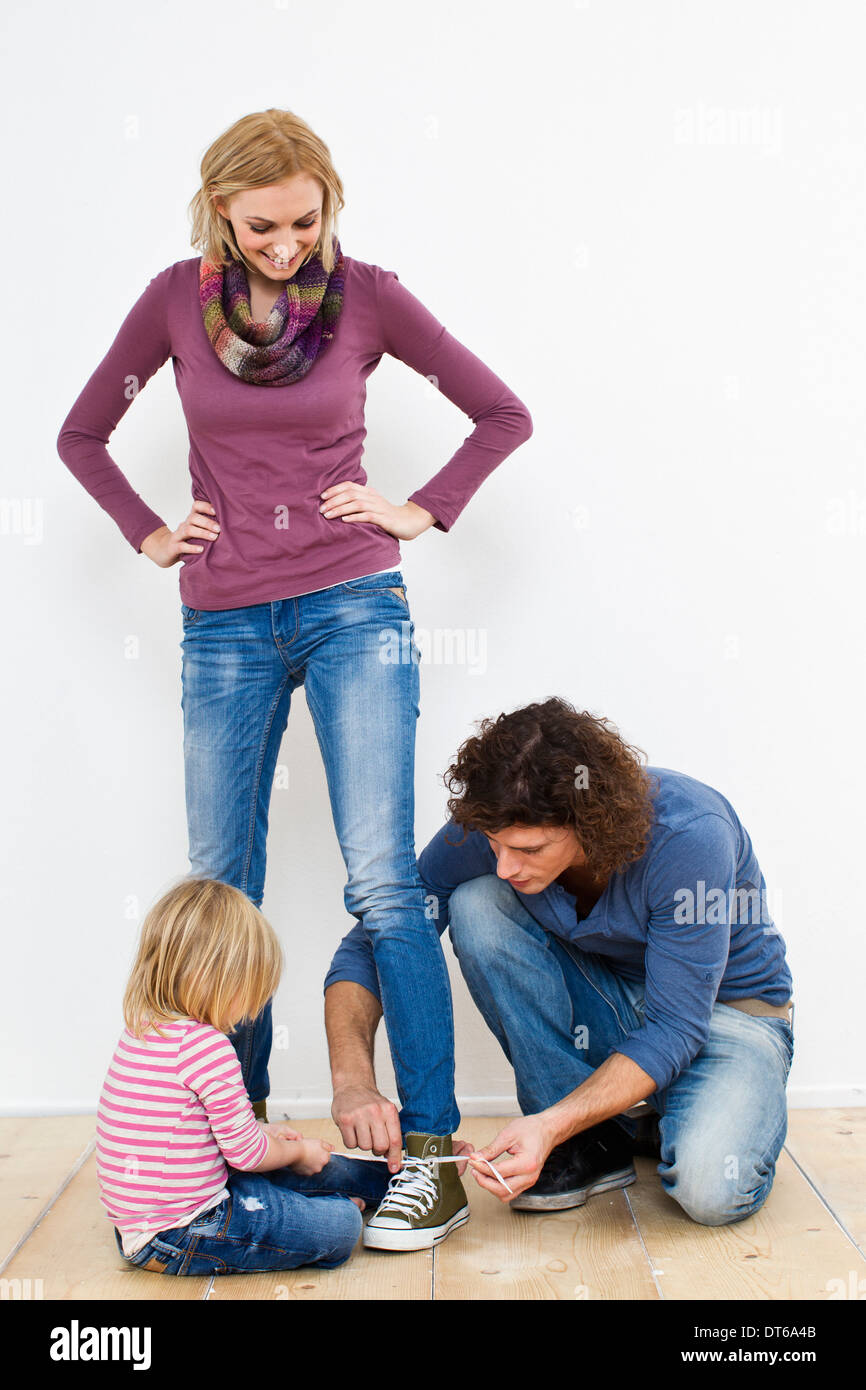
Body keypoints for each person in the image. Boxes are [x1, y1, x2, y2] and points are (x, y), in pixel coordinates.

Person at [57, 108, 533, 1251]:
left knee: (381, 878)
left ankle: (428, 1159)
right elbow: (82, 435)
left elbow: (499, 411)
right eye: (262, 224)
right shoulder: (175, 301)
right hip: (222, 621)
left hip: (353, 603)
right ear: (218, 207)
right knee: (223, 882)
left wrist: (419, 511)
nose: (285, 244)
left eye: (305, 219)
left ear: (330, 202)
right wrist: (149, 532)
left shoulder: (367, 294)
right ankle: (240, 1137)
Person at [325, 697, 795, 1233]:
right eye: (495, 845)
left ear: (589, 823)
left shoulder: (690, 835)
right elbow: (373, 942)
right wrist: (353, 1080)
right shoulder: (499, 826)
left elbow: (676, 1027)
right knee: (477, 904)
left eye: (529, 849)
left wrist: (545, 1126)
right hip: (616, 1006)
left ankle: (650, 1118)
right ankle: (596, 1139)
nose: (504, 865)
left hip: (724, 1017)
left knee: (711, 1191)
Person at [97, 876, 392, 1275]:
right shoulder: (207, 1047)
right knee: (341, 1227)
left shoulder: (142, 1031)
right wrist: (299, 1151)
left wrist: (265, 1136)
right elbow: (247, 1155)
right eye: (251, 988)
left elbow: (199, 1134)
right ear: (217, 978)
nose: (253, 1007)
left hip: (138, 1227)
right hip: (183, 1232)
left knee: (287, 1174)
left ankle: (376, 1186)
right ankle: (356, 1201)